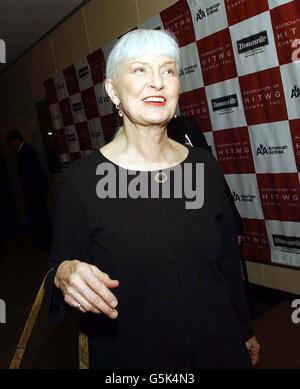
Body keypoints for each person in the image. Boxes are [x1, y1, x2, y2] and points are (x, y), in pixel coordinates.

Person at [46, 29, 260, 368]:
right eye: (139, 69)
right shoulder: (81, 182)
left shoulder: (203, 167)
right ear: (112, 90)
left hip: (219, 348)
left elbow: (228, 264)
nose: (157, 82)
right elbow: (59, 270)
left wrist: (244, 331)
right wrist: (65, 275)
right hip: (134, 357)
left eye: (168, 70)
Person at [6, 130, 52, 250]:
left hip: (34, 192)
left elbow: (33, 174)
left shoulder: (26, 151)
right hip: (35, 192)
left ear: (15, 140)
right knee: (40, 216)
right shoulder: (26, 150)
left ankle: (46, 240)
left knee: (40, 216)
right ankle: (46, 239)